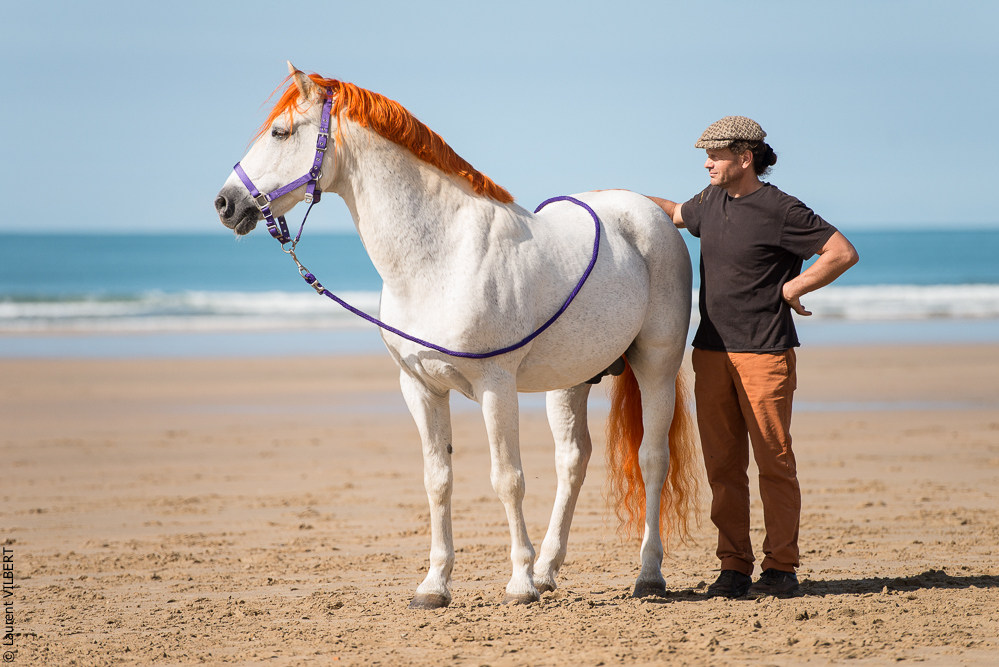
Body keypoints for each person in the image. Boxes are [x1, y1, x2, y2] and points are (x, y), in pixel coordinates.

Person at [647, 116, 859, 599]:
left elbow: (841, 252)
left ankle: (781, 568)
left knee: (774, 462)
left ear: (744, 158)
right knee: (723, 467)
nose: (707, 164)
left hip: (765, 354)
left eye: (716, 156)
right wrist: (616, 200)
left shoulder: (780, 209)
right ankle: (734, 568)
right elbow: (676, 212)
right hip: (711, 354)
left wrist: (795, 285)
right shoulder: (710, 202)